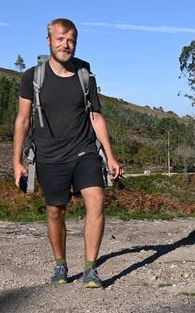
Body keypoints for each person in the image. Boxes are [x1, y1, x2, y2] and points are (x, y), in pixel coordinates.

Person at [12, 18, 123, 288]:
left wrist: (110, 156)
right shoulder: (33, 77)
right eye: (60, 39)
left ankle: (90, 269)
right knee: (55, 212)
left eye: (71, 39)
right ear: (49, 41)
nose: (66, 44)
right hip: (49, 155)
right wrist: (16, 162)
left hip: (84, 151)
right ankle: (60, 265)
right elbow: (23, 120)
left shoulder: (85, 78)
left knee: (96, 200)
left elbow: (96, 117)